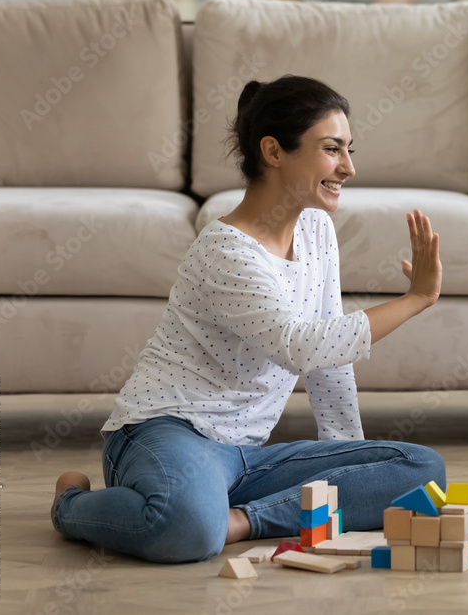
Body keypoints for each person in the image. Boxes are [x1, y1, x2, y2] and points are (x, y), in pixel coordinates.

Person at [51, 75, 446, 563]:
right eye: (332, 149)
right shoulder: (225, 249)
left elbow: (328, 363)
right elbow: (302, 347)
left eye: (349, 149)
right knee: (186, 529)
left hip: (247, 458)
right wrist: (417, 298)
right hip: (166, 432)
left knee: (420, 470)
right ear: (274, 151)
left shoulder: (317, 228)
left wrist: (347, 465)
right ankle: (72, 504)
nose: (348, 167)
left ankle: (239, 520)